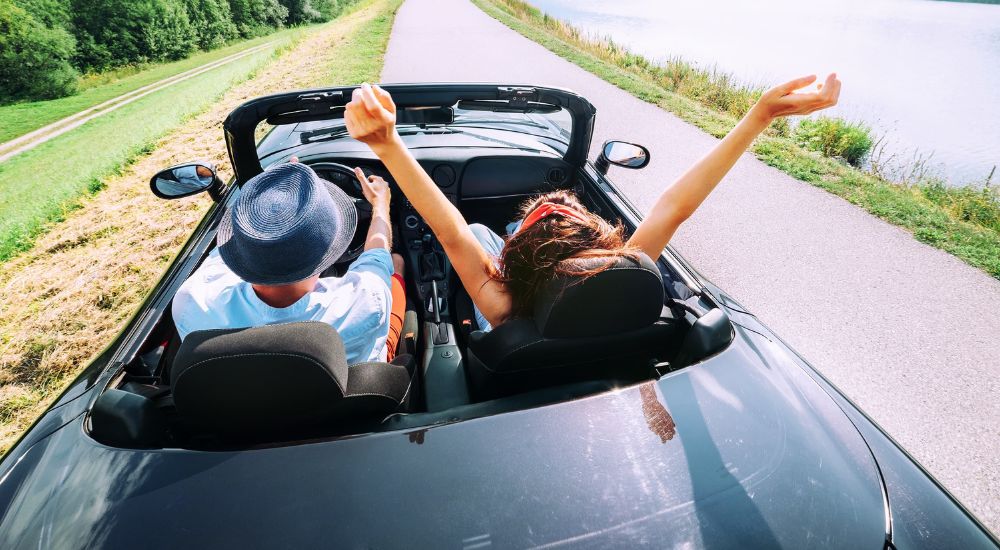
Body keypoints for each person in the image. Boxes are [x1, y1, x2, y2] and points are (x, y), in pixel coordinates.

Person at [344, 75, 840, 331]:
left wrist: (388, 144)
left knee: (475, 234)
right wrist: (759, 115)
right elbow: (675, 207)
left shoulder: (503, 307)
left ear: (516, 262)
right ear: (602, 244)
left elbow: (451, 228)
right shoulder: (628, 273)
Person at [172, 161, 407, 364]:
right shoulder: (367, 299)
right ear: (330, 247)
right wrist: (380, 204)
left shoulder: (191, 301)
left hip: (253, 406)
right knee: (396, 263)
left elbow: (225, 250)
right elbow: (378, 253)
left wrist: (267, 202)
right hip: (350, 396)